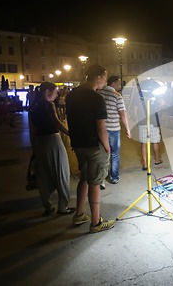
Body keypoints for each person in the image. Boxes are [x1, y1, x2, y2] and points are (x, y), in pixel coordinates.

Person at [66, 64, 115, 233]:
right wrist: (108, 147)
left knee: (85, 178)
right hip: (94, 146)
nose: (106, 80)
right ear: (99, 77)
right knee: (95, 182)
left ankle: (79, 214)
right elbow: (101, 128)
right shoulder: (96, 98)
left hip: (78, 144)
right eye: (105, 77)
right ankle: (96, 222)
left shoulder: (72, 95)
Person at [28, 82, 74, 216]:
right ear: (47, 91)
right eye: (55, 92)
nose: (57, 94)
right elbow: (56, 122)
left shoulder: (32, 107)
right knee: (62, 172)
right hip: (53, 140)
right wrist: (70, 134)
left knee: (44, 175)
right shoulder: (49, 104)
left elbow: (32, 131)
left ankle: (47, 206)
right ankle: (63, 207)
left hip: (39, 142)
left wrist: (34, 148)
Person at [97, 75, 131, 188]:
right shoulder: (117, 96)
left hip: (100, 129)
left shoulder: (98, 94)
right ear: (113, 83)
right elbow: (122, 114)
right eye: (119, 83)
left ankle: (100, 179)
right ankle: (114, 177)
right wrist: (127, 129)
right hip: (114, 130)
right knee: (115, 154)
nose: (120, 86)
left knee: (102, 154)